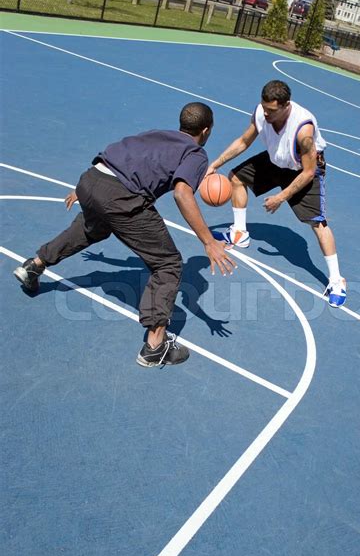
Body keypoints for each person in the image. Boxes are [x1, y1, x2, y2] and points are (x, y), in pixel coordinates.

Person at [14, 102, 236, 367]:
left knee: (90, 228)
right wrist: (209, 242)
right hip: (121, 197)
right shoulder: (196, 153)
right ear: (207, 130)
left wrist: (88, 191)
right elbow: (182, 193)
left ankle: (34, 265)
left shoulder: (157, 134)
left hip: (92, 178)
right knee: (168, 264)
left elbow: (118, 157)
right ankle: (155, 346)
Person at [208, 80, 346, 308]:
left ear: (286, 106)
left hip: (302, 169)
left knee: (318, 223)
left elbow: (309, 172)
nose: (266, 113)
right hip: (277, 160)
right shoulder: (261, 113)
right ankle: (240, 233)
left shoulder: (303, 130)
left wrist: (281, 198)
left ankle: (336, 280)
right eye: (264, 108)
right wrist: (215, 164)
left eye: (271, 110)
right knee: (236, 178)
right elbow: (243, 141)